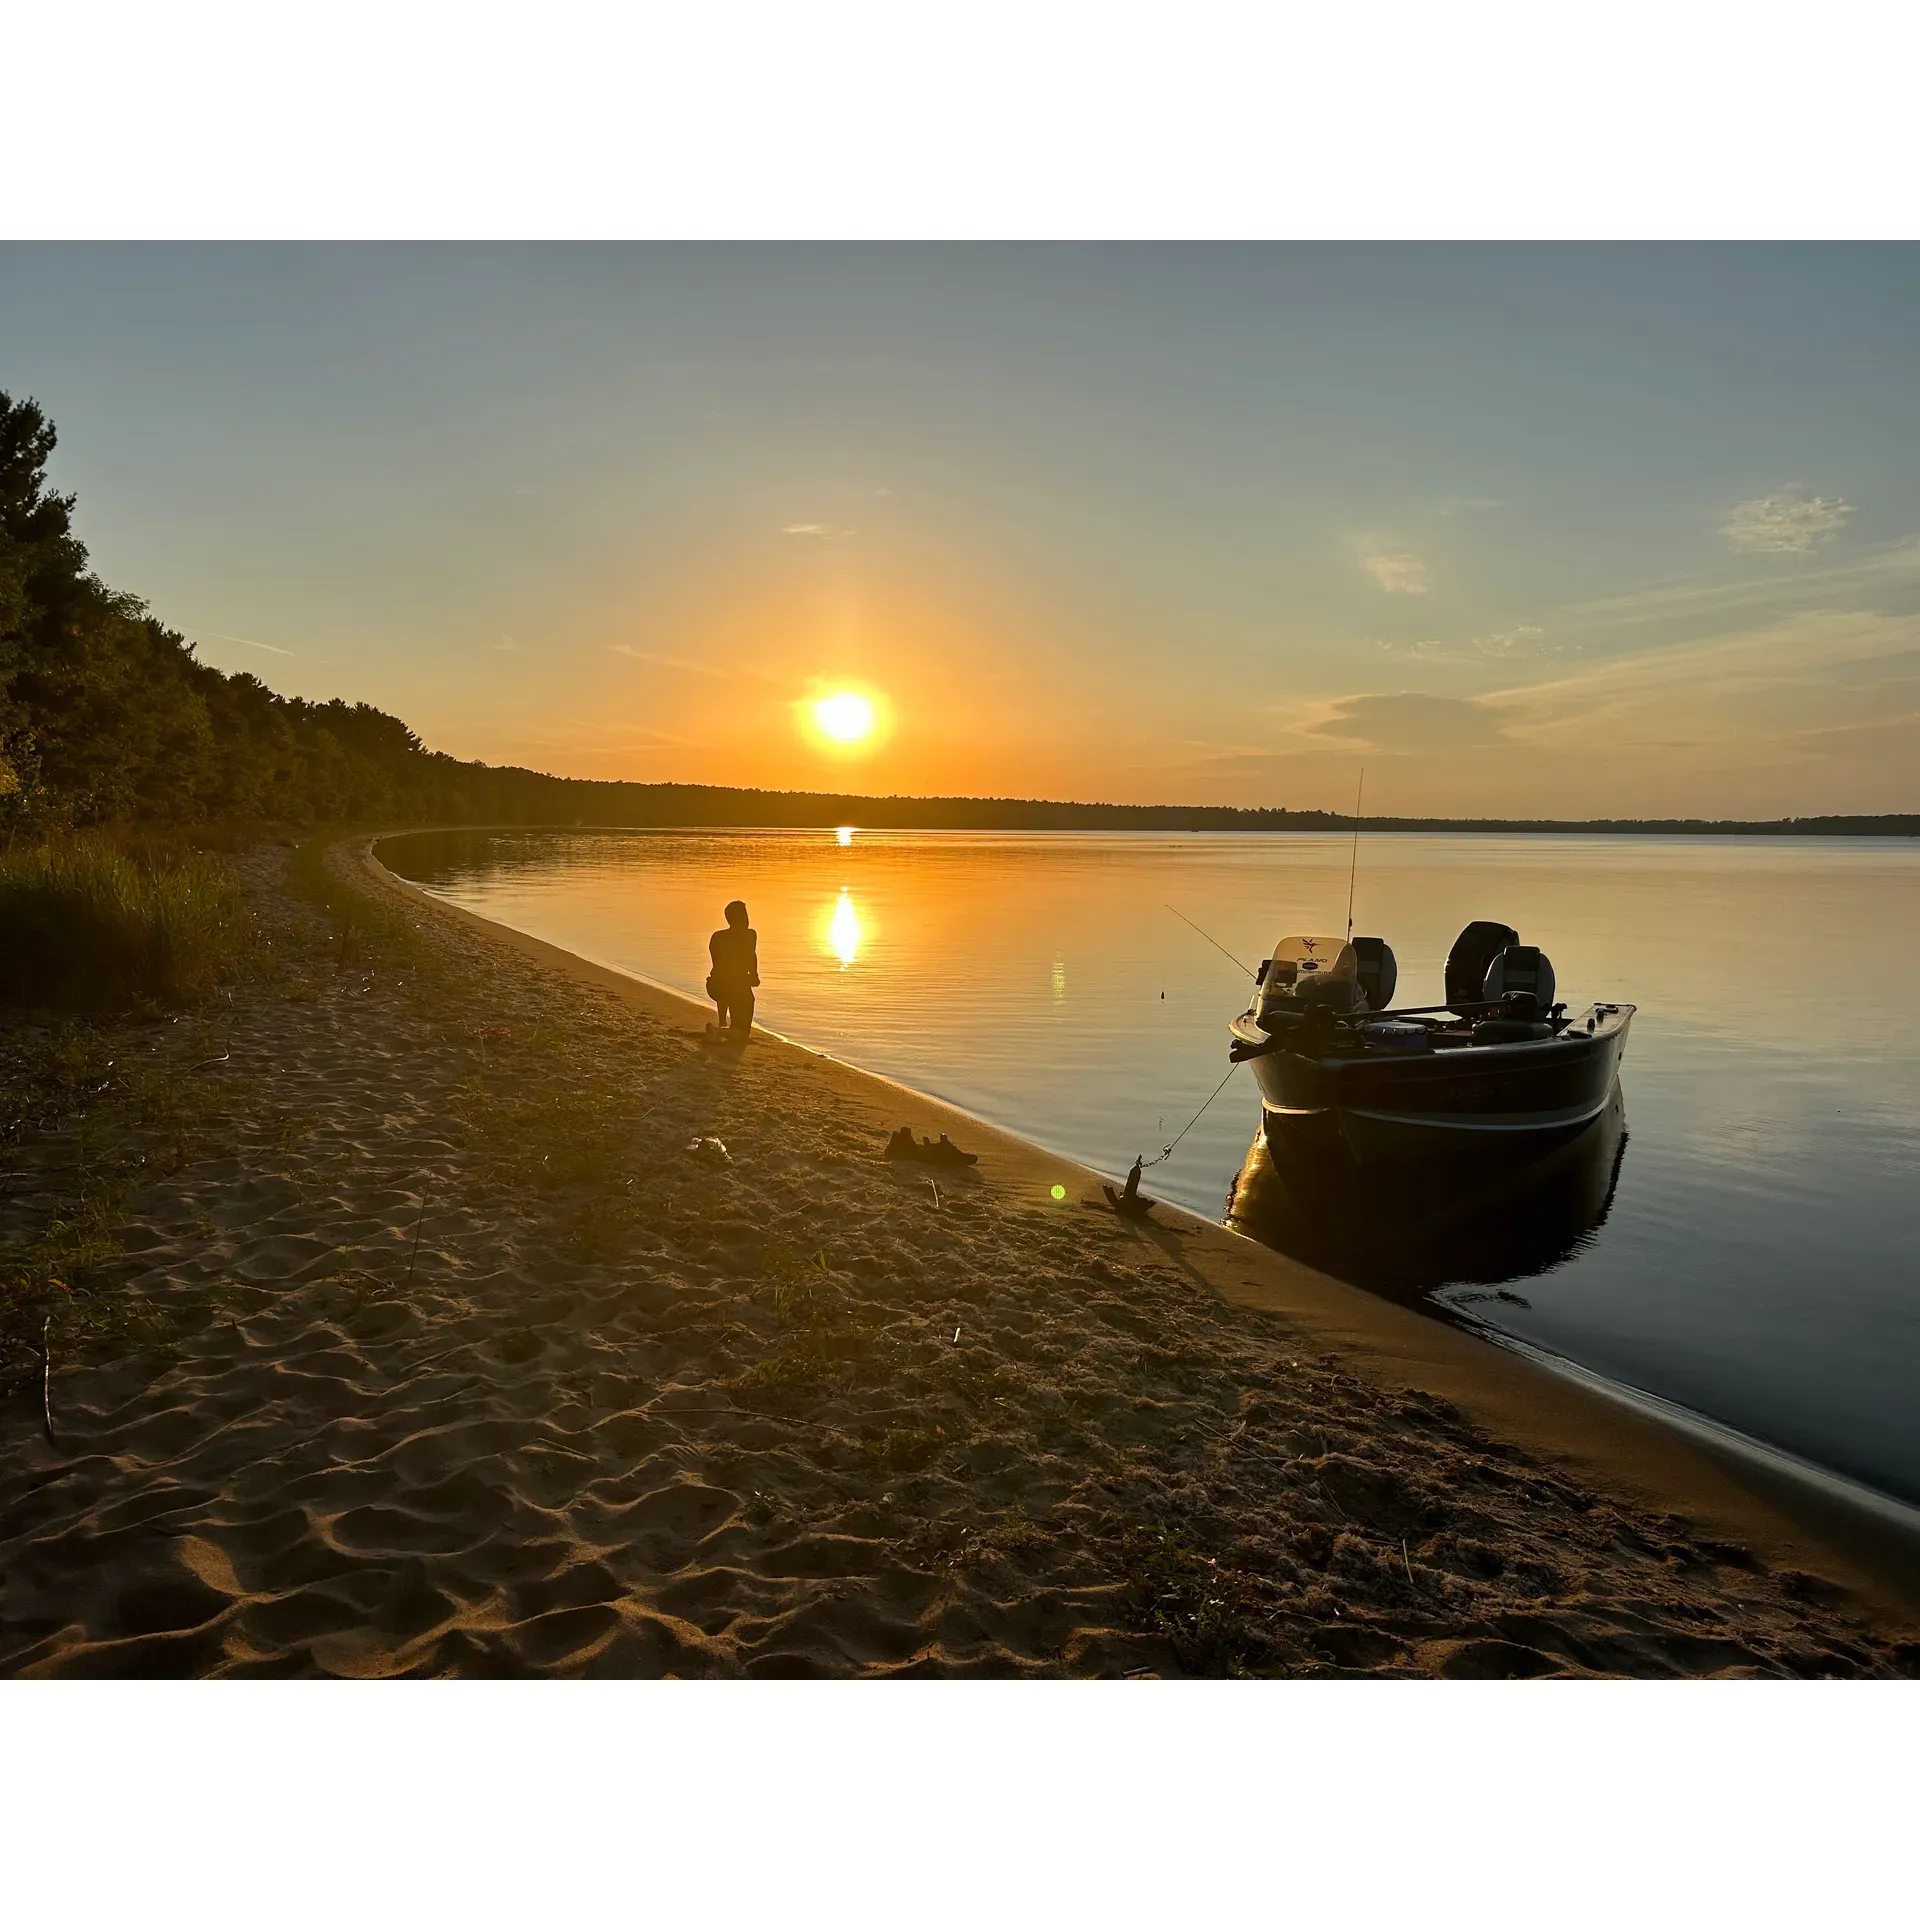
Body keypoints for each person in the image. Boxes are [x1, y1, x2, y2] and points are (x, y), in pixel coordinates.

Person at [706, 899, 759, 1040]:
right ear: (743, 917)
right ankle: (719, 1031)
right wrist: (754, 976)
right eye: (746, 915)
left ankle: (722, 1022)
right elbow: (750, 956)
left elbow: (717, 966)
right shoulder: (749, 935)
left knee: (724, 980)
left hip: (714, 986)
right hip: (735, 988)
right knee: (742, 1034)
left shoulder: (717, 936)